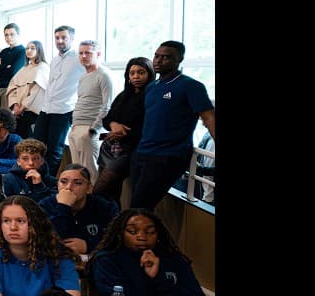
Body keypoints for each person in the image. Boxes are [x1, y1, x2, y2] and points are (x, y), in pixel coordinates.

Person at [129, 41, 215, 211]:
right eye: (156, 56)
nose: (158, 61)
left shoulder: (191, 86)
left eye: (166, 57)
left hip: (167, 157)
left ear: (179, 59)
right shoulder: (152, 87)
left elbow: (208, 118)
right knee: (139, 207)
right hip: (142, 153)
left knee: (138, 208)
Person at [88, 209, 212, 296]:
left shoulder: (174, 259)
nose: (142, 237)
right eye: (132, 231)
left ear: (158, 235)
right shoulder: (108, 260)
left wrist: (160, 279)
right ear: (120, 233)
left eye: (150, 232)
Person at [92, 56, 154, 204]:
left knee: (99, 189)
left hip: (128, 150)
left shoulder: (152, 96)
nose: (136, 76)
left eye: (141, 72)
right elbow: (107, 119)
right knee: (111, 193)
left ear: (149, 73)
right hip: (109, 147)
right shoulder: (123, 95)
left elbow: (148, 126)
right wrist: (113, 125)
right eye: (132, 73)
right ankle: (112, 224)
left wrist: (121, 132)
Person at [33, 26, 88, 172]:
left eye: (64, 38)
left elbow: (89, 77)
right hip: (46, 109)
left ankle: (48, 182)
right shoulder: (54, 60)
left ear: (71, 39)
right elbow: (50, 85)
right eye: (57, 38)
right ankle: (36, 178)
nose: (60, 41)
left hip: (64, 110)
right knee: (35, 146)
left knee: (54, 151)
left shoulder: (79, 58)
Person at [38, 164, 118, 257]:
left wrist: (89, 246)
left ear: (89, 188)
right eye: (63, 182)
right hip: (56, 260)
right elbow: (44, 240)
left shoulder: (105, 207)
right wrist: (63, 206)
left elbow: (115, 239)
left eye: (78, 183)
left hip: (94, 261)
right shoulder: (45, 205)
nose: (68, 187)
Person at [65, 40, 114, 182]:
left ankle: (91, 202)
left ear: (98, 54)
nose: (84, 56)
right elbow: (81, 101)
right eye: (81, 53)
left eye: (88, 53)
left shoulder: (104, 75)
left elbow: (108, 105)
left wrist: (94, 129)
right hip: (75, 128)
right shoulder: (83, 77)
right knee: (77, 173)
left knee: (90, 173)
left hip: (89, 129)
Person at [5, 40, 50, 138]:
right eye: (27, 48)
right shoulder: (24, 68)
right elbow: (12, 87)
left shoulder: (43, 68)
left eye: (32, 48)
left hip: (31, 112)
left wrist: (23, 107)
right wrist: (15, 105)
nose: (29, 50)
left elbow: (37, 91)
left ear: (39, 50)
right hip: (18, 112)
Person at [0, 23, 26, 111]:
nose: (9, 37)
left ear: (18, 35)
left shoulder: (22, 51)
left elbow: (12, 71)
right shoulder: (4, 51)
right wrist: (6, 66)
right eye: (6, 35)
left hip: (10, 90)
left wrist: (0, 66)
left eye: (12, 34)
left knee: (5, 119)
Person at [2, 138, 56, 202]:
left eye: (35, 158)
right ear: (18, 161)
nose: (31, 163)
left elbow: (51, 207)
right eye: (25, 158)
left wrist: (40, 186)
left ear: (42, 161)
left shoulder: (52, 182)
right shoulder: (8, 180)